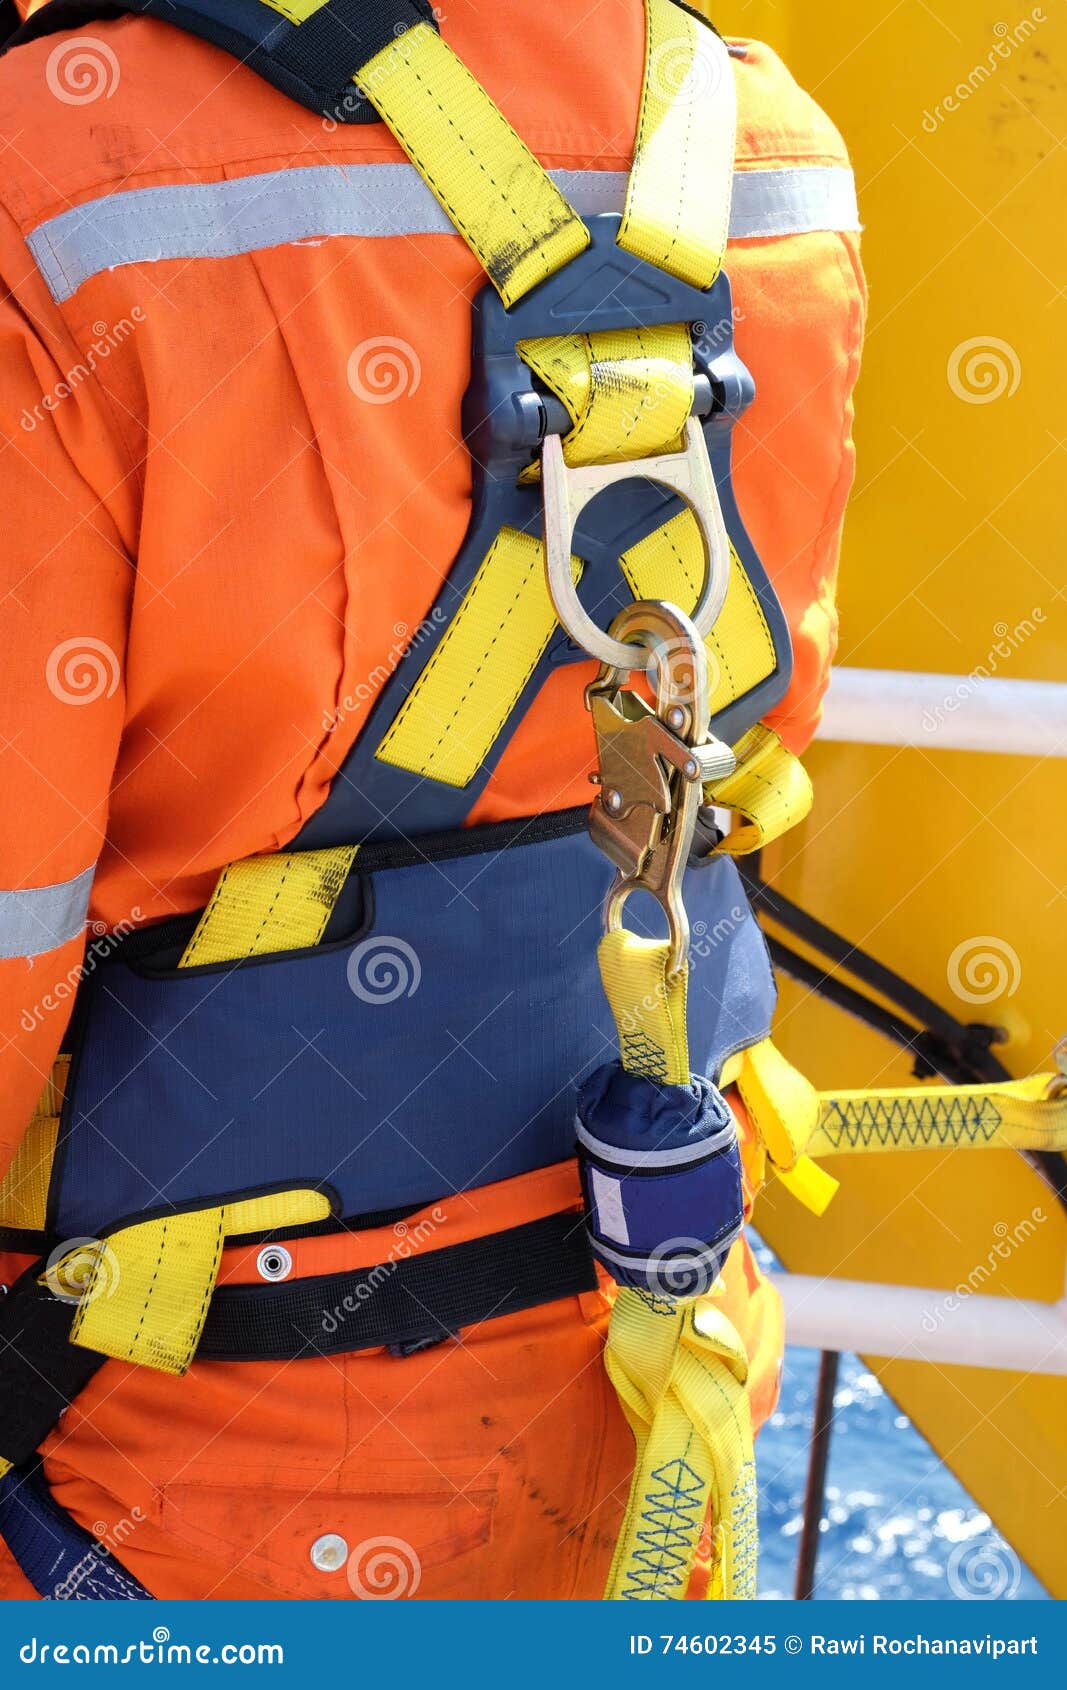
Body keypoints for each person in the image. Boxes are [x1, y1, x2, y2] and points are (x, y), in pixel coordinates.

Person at [0, 0, 864, 1599]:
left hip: (166, 1481)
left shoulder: (49, 177)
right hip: (661, 1392)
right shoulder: (763, 134)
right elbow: (755, 747)